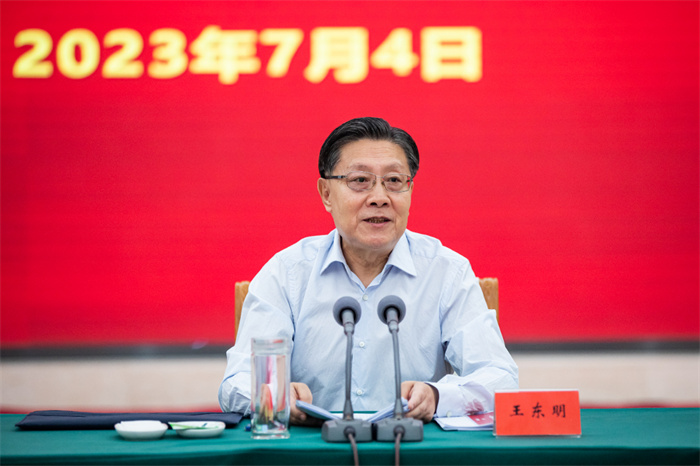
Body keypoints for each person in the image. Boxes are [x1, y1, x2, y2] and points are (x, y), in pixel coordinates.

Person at [219, 117, 518, 424]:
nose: (379, 198)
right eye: (360, 180)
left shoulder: (446, 272)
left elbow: (500, 376)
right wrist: (275, 396)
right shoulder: (287, 273)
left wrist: (438, 396)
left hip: (412, 445)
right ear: (326, 193)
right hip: (315, 445)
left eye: (394, 181)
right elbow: (236, 383)